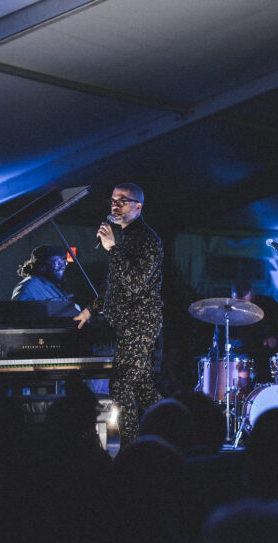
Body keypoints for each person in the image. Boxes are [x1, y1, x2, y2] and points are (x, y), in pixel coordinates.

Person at [74, 183, 164, 448]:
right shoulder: (125, 238)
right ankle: (178, 430)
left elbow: (135, 283)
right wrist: (90, 309)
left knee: (121, 386)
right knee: (143, 389)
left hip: (140, 323)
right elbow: (117, 287)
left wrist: (112, 249)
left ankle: (129, 448)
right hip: (125, 323)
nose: (115, 205)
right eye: (113, 200)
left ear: (139, 206)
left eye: (123, 201)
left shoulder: (147, 239)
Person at [227, 280, 278, 384]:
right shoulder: (228, 311)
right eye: (239, 303)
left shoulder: (268, 303)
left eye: (246, 302)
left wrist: (275, 338)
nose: (243, 306)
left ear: (252, 293)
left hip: (269, 353)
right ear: (232, 297)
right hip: (246, 353)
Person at [11, 245, 80, 314]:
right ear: (42, 265)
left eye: (64, 263)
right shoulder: (29, 286)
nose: (62, 267)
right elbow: (18, 313)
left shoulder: (53, 286)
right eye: (57, 262)